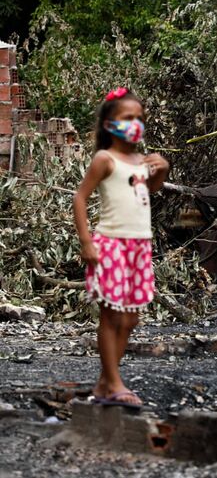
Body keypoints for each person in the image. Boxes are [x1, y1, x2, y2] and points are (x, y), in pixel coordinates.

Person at [73, 87, 169, 407]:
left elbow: (147, 191)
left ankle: (104, 383)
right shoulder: (105, 159)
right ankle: (115, 382)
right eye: (128, 118)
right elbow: (80, 198)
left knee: (130, 320)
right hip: (111, 245)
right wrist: (87, 242)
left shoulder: (142, 160)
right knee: (111, 317)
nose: (135, 123)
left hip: (139, 246)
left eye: (139, 118)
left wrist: (162, 171)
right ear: (109, 124)